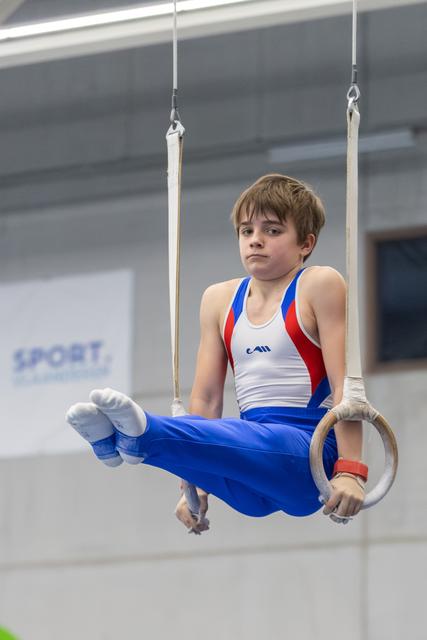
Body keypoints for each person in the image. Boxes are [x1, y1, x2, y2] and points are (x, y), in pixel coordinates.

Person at [66, 174, 367, 534]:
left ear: (306, 243)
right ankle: (116, 442)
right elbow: (207, 399)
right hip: (250, 474)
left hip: (307, 458)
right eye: (246, 231)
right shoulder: (219, 300)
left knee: (251, 438)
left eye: (272, 231)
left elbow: (345, 386)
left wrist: (351, 471)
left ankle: (142, 432)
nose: (255, 240)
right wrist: (196, 484)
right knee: (230, 439)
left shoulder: (319, 284)